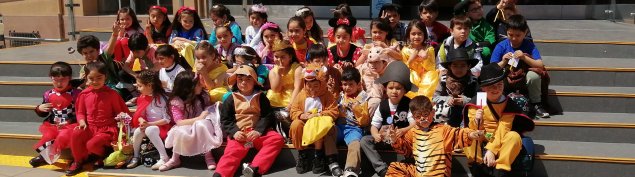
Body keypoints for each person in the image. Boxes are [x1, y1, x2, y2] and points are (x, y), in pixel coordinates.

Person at [462, 63, 535, 177]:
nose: (496, 89)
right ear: (483, 88)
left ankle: (500, 170)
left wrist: (491, 150)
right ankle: (478, 167)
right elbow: (474, 128)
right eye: (491, 86)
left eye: (499, 85)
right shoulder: (476, 102)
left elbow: (503, 128)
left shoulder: (508, 104)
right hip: (484, 134)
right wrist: (477, 121)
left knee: (514, 137)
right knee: (468, 134)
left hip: (501, 137)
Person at [385, 95, 484, 177]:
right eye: (418, 117)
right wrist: (394, 140)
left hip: (437, 174)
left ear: (432, 113)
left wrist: (471, 134)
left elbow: (458, 134)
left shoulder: (442, 130)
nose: (423, 119)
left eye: (425, 114)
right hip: (419, 173)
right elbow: (405, 151)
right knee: (395, 167)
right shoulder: (412, 132)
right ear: (414, 117)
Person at [214, 65, 285, 177]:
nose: (243, 83)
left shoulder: (261, 97)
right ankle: (221, 174)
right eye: (240, 79)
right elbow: (226, 119)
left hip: (257, 134)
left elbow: (267, 115)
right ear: (236, 81)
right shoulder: (231, 98)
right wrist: (235, 132)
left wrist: (258, 131)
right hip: (240, 134)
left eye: (248, 79)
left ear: (254, 81)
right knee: (232, 152)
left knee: (276, 139)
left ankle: (255, 168)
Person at [67, 62, 131, 175]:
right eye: (91, 78)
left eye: (99, 78)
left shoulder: (112, 94)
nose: (95, 82)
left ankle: (103, 154)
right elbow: (80, 112)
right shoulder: (83, 95)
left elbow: (121, 112)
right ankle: (78, 161)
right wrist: (81, 122)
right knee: (76, 133)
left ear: (105, 77)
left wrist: (121, 122)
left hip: (107, 129)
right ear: (85, 78)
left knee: (92, 145)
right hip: (90, 127)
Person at [360, 61, 416, 177]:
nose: (394, 91)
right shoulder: (382, 105)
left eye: (398, 88)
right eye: (391, 88)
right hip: (385, 138)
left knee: (413, 139)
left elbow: (414, 123)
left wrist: (403, 130)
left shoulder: (408, 104)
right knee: (365, 140)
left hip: (401, 139)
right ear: (385, 89)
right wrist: (375, 134)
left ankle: (409, 163)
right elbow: (374, 125)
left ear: (405, 90)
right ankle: (381, 168)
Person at [160, 71, 223, 171]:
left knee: (201, 125)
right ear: (188, 88)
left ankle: (208, 155)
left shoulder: (203, 96)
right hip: (186, 124)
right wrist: (198, 118)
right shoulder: (177, 101)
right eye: (198, 84)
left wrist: (215, 106)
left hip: (202, 124)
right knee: (179, 131)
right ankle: (175, 158)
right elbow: (179, 122)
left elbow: (207, 109)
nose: (201, 85)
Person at [490, 15, 549, 118]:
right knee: (499, 76)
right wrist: (503, 61)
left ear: (525, 33)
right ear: (506, 32)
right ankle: (500, 102)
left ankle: (536, 104)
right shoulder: (501, 45)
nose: (514, 38)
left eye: (518, 35)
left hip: (523, 78)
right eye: (510, 34)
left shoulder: (529, 45)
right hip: (507, 79)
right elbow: (491, 68)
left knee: (533, 76)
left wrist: (524, 58)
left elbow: (540, 65)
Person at [289, 64, 342, 176]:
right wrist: (303, 115)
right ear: (305, 84)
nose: (312, 89)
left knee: (320, 125)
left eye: (315, 86)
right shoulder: (301, 95)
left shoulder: (327, 95)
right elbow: (293, 111)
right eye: (309, 85)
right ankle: (302, 154)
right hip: (305, 124)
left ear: (321, 84)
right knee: (295, 124)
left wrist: (319, 115)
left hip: (319, 125)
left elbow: (334, 111)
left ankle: (318, 156)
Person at [30, 62, 81, 168]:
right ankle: (45, 156)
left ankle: (77, 158)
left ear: (70, 78)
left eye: (63, 79)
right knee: (48, 135)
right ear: (51, 78)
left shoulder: (76, 94)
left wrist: (68, 121)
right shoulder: (48, 94)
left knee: (64, 136)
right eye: (56, 80)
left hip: (71, 124)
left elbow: (80, 113)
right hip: (54, 124)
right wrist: (39, 108)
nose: (59, 83)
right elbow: (45, 113)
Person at [127, 70, 172, 170]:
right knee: (138, 131)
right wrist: (142, 120)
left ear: (150, 85)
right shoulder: (142, 97)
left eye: (140, 86)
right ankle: (136, 156)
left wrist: (149, 124)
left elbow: (167, 119)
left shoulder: (162, 99)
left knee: (149, 130)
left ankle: (164, 157)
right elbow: (140, 114)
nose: (138, 89)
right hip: (149, 125)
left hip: (163, 127)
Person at [336, 67, 370, 177]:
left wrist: (357, 109)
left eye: (351, 84)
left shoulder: (363, 98)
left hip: (353, 129)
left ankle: (350, 169)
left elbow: (364, 122)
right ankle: (331, 162)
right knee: (327, 133)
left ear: (359, 84)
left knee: (355, 144)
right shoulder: (340, 96)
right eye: (345, 84)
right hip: (339, 127)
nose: (347, 87)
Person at [433, 48, 479, 127]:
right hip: (447, 113)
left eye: (463, 65)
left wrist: (465, 101)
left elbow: (481, 101)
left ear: (469, 66)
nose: (459, 69)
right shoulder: (443, 80)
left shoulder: (475, 81)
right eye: (455, 65)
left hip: (467, 112)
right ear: (450, 66)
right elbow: (435, 97)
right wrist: (447, 99)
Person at [266, 40, 301, 143]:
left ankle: (290, 135)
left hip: (293, 97)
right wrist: (279, 74)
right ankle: (280, 136)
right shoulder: (273, 71)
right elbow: (276, 89)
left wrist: (291, 104)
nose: (279, 60)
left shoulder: (296, 68)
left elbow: (298, 88)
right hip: (277, 98)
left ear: (290, 57)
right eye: (276, 57)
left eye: (283, 57)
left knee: (286, 115)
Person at [76, 34, 129, 99]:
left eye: (91, 51)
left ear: (98, 50)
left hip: (112, 90)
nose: (89, 55)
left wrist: (115, 34)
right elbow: (83, 85)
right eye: (85, 53)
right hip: (94, 92)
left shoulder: (104, 59)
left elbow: (110, 48)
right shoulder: (84, 69)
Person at [401, 20, 439, 99]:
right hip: (412, 76)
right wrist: (411, 59)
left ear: (424, 35)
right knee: (411, 76)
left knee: (431, 75)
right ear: (408, 35)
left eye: (419, 34)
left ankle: (424, 98)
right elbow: (403, 68)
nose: (416, 37)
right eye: (413, 34)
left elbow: (431, 68)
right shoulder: (405, 50)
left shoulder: (429, 49)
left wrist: (425, 58)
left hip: (426, 76)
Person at [454, 0, 496, 64]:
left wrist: (476, 45)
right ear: (467, 13)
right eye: (474, 9)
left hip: (480, 48)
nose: (478, 11)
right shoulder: (464, 22)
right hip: (464, 47)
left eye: (480, 7)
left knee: (486, 51)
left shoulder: (487, 25)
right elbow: (456, 9)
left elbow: (490, 41)